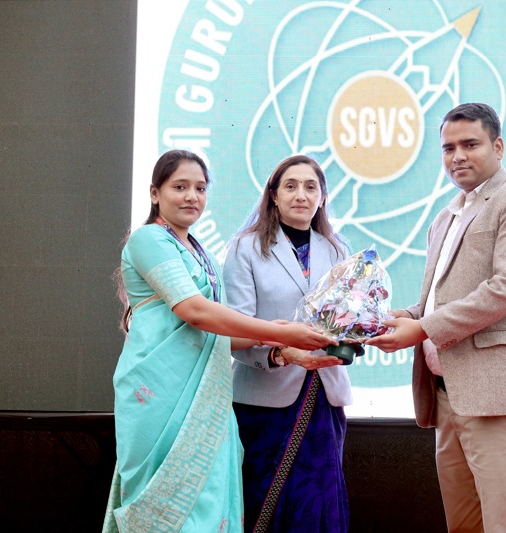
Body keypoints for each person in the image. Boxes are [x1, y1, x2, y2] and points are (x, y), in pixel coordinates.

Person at [102, 149, 336, 532]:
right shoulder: (148, 239)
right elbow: (195, 312)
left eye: (200, 188)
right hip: (159, 394)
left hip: (206, 397)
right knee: (160, 504)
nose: (191, 197)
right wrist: (279, 331)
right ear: (155, 193)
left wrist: (285, 350)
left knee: (208, 511)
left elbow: (224, 335)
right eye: (180, 187)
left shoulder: (204, 255)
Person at [366, 103, 506, 532]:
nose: (457, 156)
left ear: (498, 146)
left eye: (470, 144)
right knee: (463, 525)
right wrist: (393, 317)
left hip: (499, 394)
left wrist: (422, 328)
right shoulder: (445, 216)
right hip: (447, 394)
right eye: (448, 148)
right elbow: (435, 302)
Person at [222, 155, 352, 533]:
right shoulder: (246, 248)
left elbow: (345, 319)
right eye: (290, 186)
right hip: (264, 402)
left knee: (318, 507)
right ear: (274, 196)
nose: (301, 195)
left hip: (324, 396)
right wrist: (279, 353)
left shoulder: (337, 251)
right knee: (263, 504)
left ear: (322, 197)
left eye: (311, 187)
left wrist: (355, 334)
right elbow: (234, 331)